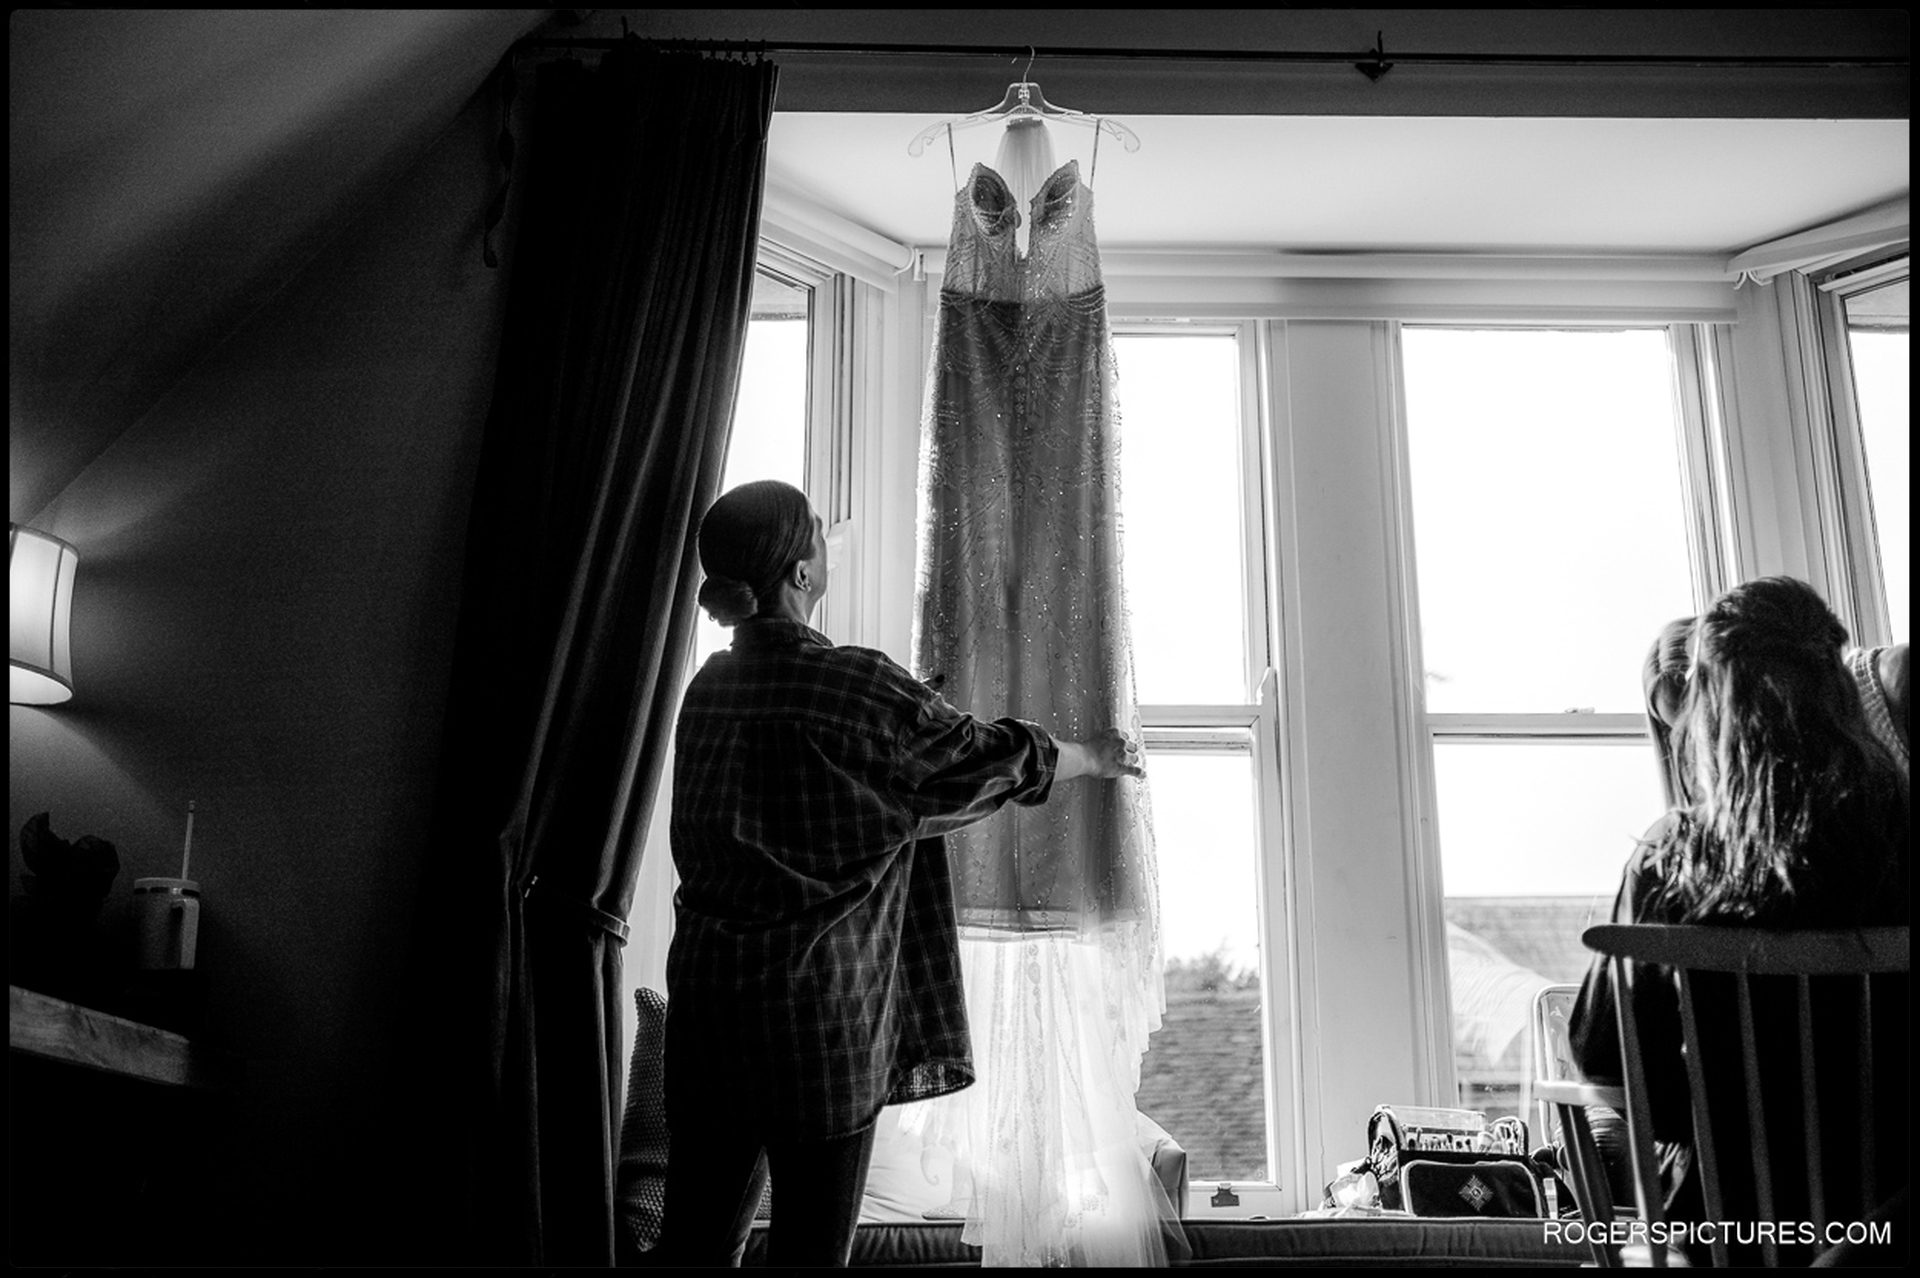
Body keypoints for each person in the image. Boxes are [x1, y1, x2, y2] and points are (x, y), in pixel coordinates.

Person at [656, 480, 1145, 1268]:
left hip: (711, 1019)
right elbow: (977, 761)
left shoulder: (706, 692)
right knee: (810, 1261)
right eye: (820, 533)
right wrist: (1091, 757)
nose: (829, 543)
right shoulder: (853, 686)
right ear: (803, 578)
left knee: (693, 1255)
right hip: (817, 1027)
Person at [1570, 577, 1909, 1262]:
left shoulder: (1672, 854)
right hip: (1891, 1223)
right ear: (1838, 687)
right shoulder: (1904, 836)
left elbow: (1609, 1065)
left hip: (1729, 1228)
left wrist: (1731, 1114)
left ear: (1714, 708)